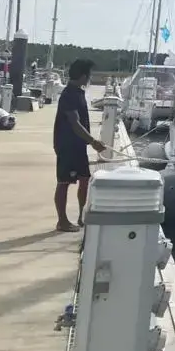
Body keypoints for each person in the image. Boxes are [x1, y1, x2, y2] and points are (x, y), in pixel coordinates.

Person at [53, 58, 106, 232]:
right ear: (83, 76)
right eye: (89, 75)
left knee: (84, 179)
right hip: (67, 145)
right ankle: (62, 221)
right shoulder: (69, 94)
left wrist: (88, 142)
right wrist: (93, 141)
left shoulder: (78, 92)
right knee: (64, 182)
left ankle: (81, 217)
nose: (90, 78)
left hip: (78, 146)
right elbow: (75, 123)